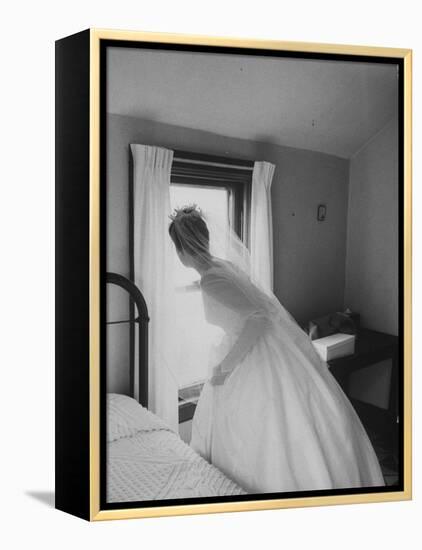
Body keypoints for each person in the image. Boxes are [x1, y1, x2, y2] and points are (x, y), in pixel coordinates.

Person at [168, 204, 385, 493]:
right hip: (265, 346)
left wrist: (227, 366)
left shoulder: (213, 279)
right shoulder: (220, 265)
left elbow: (256, 320)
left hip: (252, 352)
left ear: (182, 250)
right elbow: (240, 296)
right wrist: (193, 288)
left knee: (263, 425)